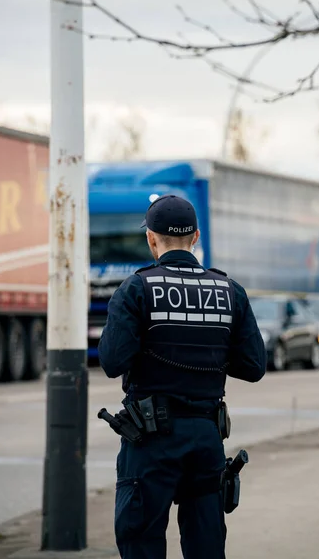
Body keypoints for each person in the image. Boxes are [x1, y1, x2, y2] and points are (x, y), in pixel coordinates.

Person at [98, 194, 266, 559]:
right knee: (206, 546)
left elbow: (112, 362)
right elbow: (254, 367)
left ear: (151, 239)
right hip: (205, 439)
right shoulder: (229, 291)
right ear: (196, 237)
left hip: (149, 442)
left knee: (140, 541)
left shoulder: (136, 290)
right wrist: (212, 356)